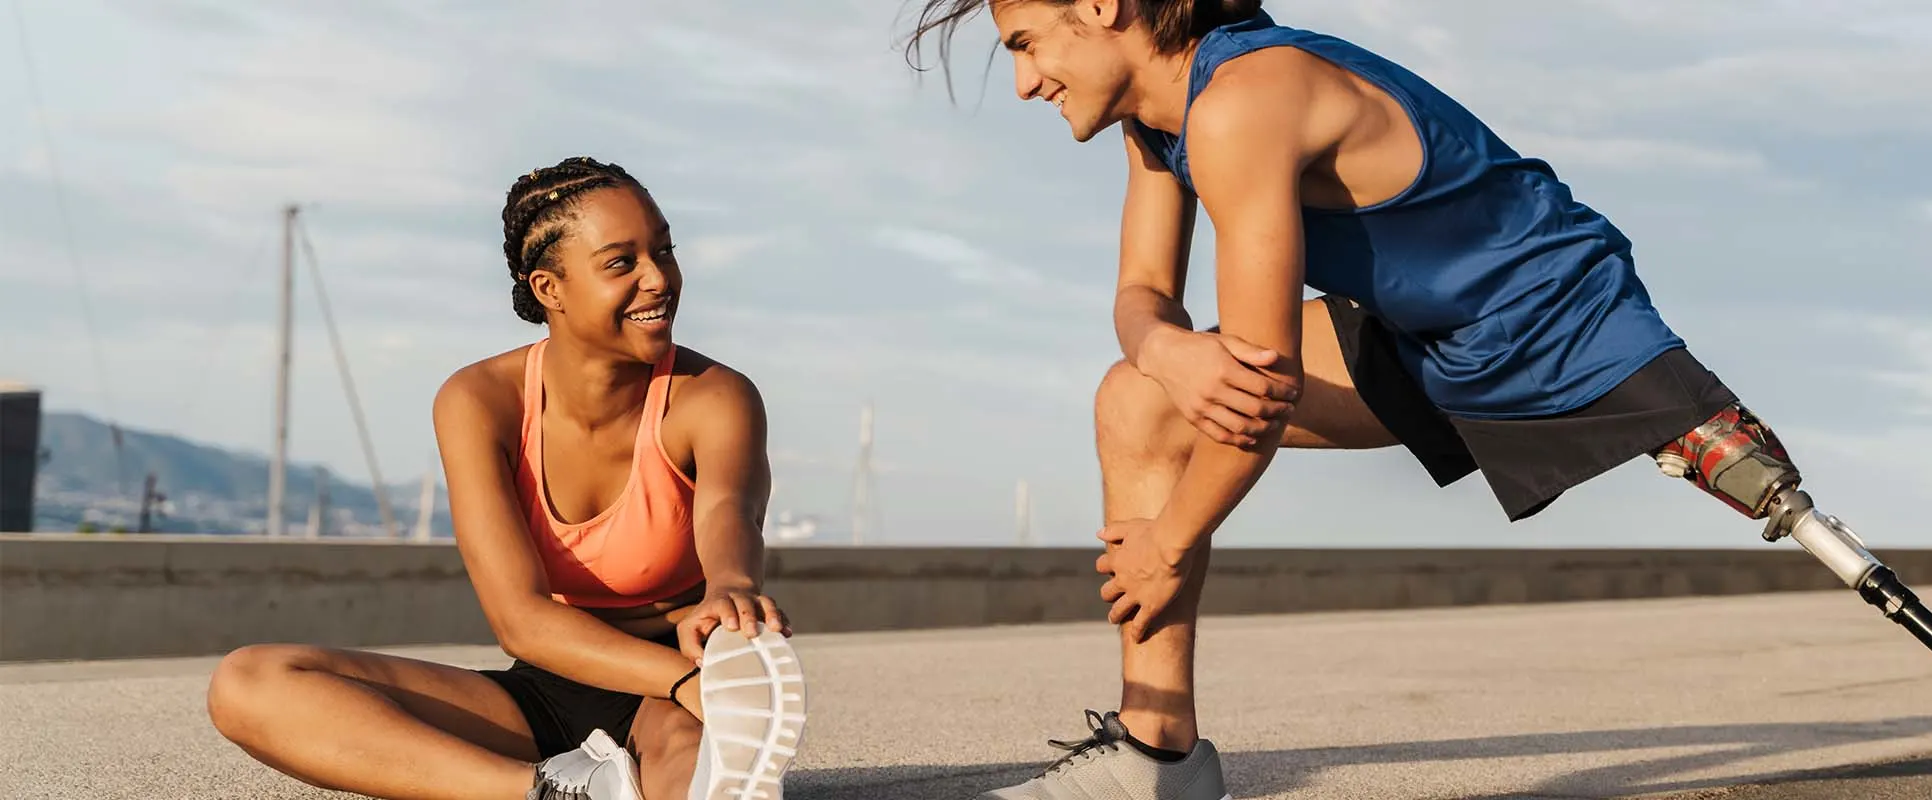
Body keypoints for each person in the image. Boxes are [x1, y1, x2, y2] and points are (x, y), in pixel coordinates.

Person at [902, 3, 1817, 799]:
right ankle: (1155, 760)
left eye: (1026, 43)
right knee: (1138, 397)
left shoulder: (1245, 100)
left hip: (1548, 321)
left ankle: (1681, 424)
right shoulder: (1160, 122)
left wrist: (1167, 545)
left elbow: (1259, 393)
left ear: (1102, 7)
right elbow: (1139, 294)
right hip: (1415, 332)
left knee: (1187, 403)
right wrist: (1166, 351)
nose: (1025, 83)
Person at [206, 157, 811, 800]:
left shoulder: (713, 397)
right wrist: (692, 686)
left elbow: (728, 512)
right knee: (250, 683)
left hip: (670, 682)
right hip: (546, 688)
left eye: (664, 251)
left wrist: (730, 592)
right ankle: (553, 793)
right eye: (621, 263)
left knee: (705, 782)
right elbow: (519, 621)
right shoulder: (479, 400)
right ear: (550, 289)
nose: (658, 279)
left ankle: (642, 775)